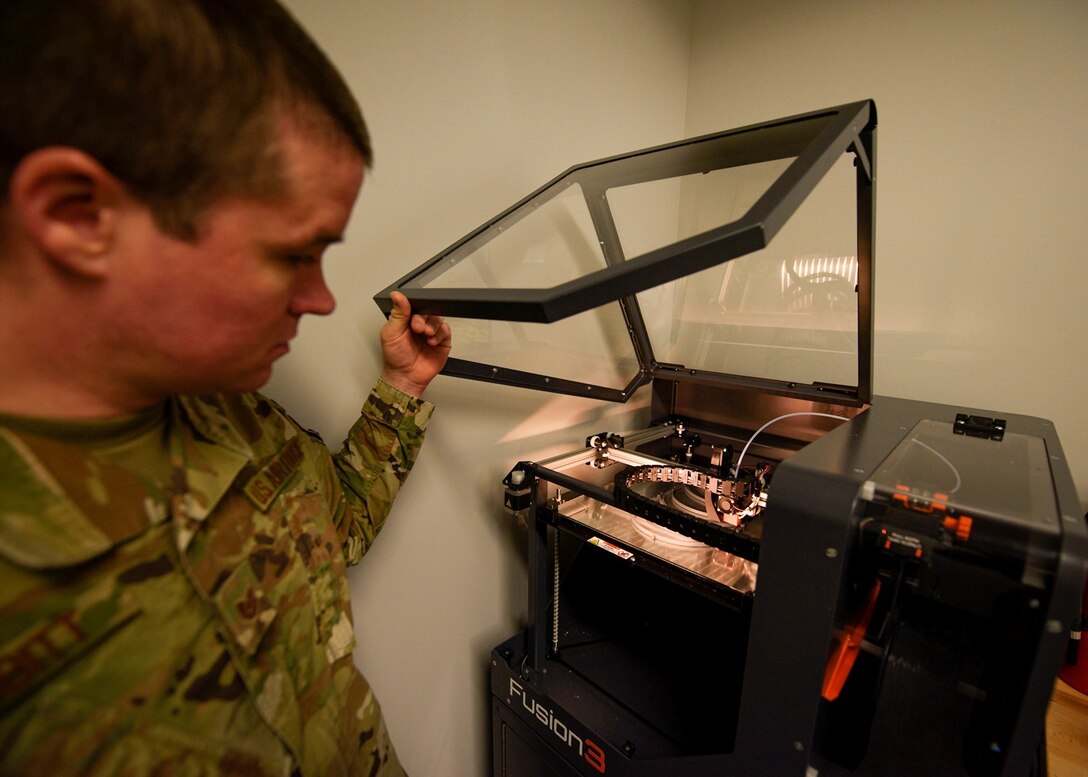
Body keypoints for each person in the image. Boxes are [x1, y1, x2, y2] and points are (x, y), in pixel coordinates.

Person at [0, 1, 451, 775]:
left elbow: (337, 528)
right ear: (78, 215)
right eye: (295, 255)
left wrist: (401, 387)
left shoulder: (223, 407)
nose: (321, 299)